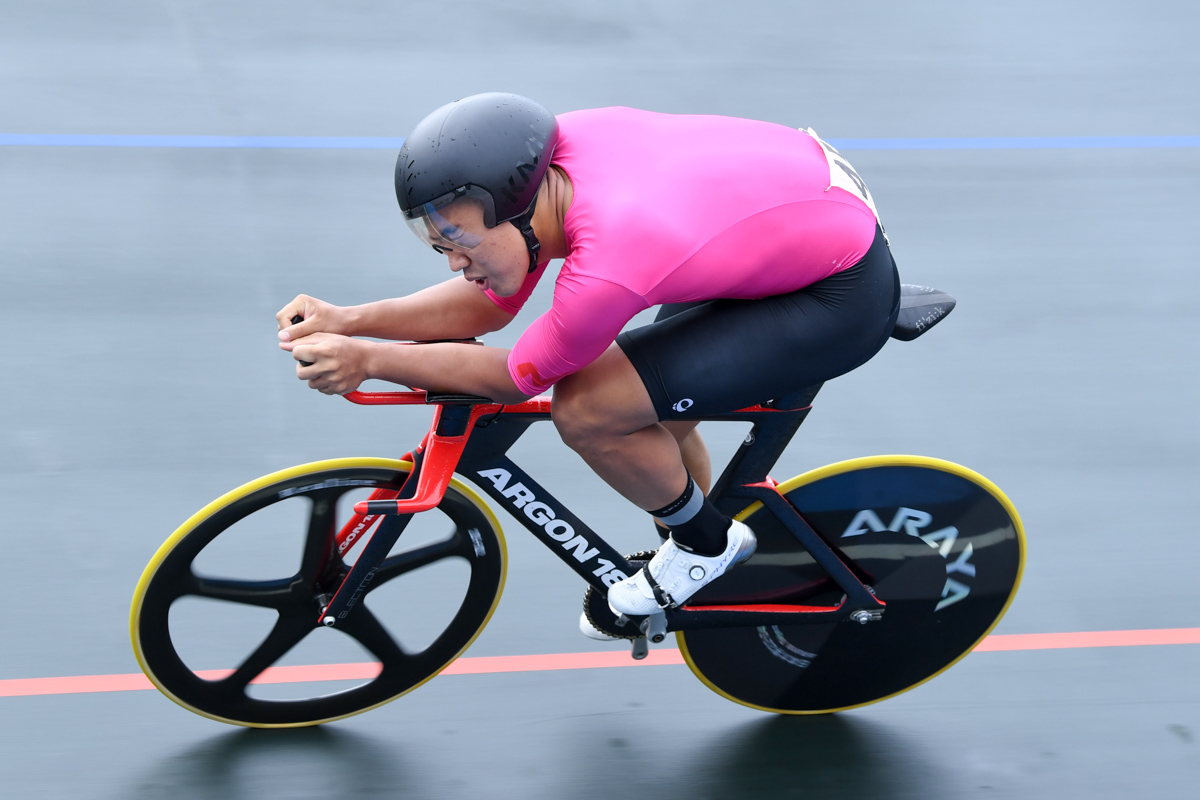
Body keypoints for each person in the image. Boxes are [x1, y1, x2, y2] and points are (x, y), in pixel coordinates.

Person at [276, 92, 900, 633]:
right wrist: (348, 320)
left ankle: (705, 547)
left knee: (592, 409)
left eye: (460, 242)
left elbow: (512, 376)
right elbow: (488, 307)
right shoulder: (543, 165)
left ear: (518, 211)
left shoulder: (609, 261)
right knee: (652, 407)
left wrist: (367, 359)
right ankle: (694, 529)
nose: (451, 261)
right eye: (439, 244)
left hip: (835, 296)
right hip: (780, 219)